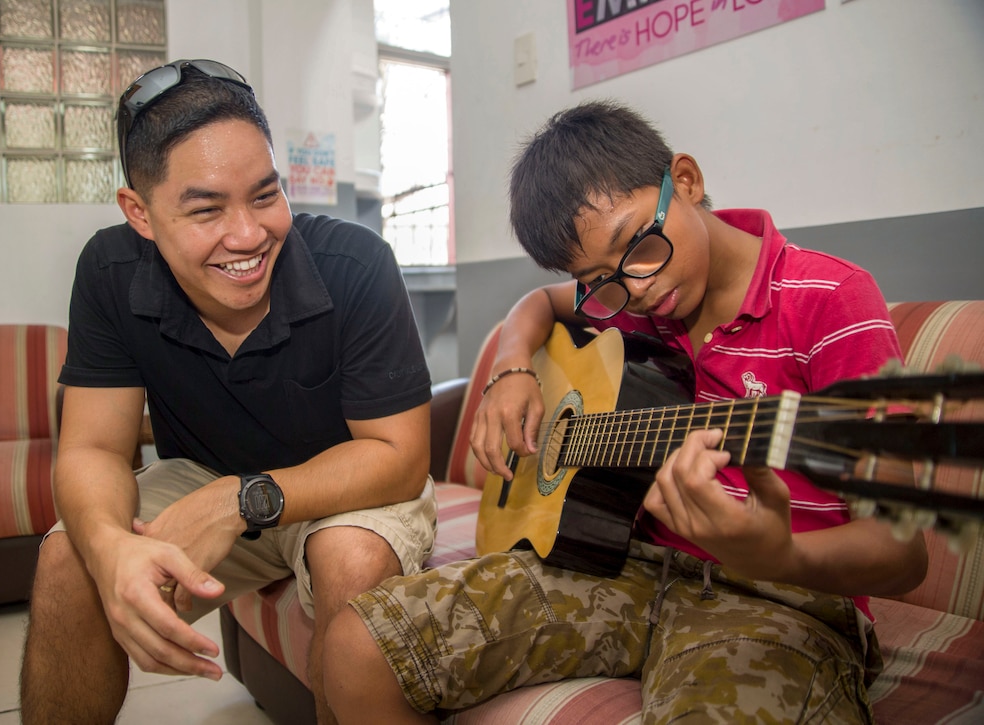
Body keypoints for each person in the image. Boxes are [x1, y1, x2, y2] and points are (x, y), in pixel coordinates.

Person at [323, 100, 929, 723]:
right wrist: (510, 368)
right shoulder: (628, 302)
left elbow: (905, 552)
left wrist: (782, 557)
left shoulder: (831, 300)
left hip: (781, 597)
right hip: (620, 564)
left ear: (686, 181)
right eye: (601, 276)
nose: (636, 288)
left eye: (635, 246)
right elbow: (541, 302)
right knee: (358, 644)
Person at [19, 59, 435, 725]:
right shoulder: (109, 272)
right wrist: (110, 551)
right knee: (68, 558)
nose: (248, 236)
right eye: (206, 209)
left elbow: (400, 455)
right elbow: (93, 446)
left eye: (266, 196)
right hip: (203, 475)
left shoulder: (357, 265)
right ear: (140, 212)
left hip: (344, 485)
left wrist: (238, 500)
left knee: (348, 555)